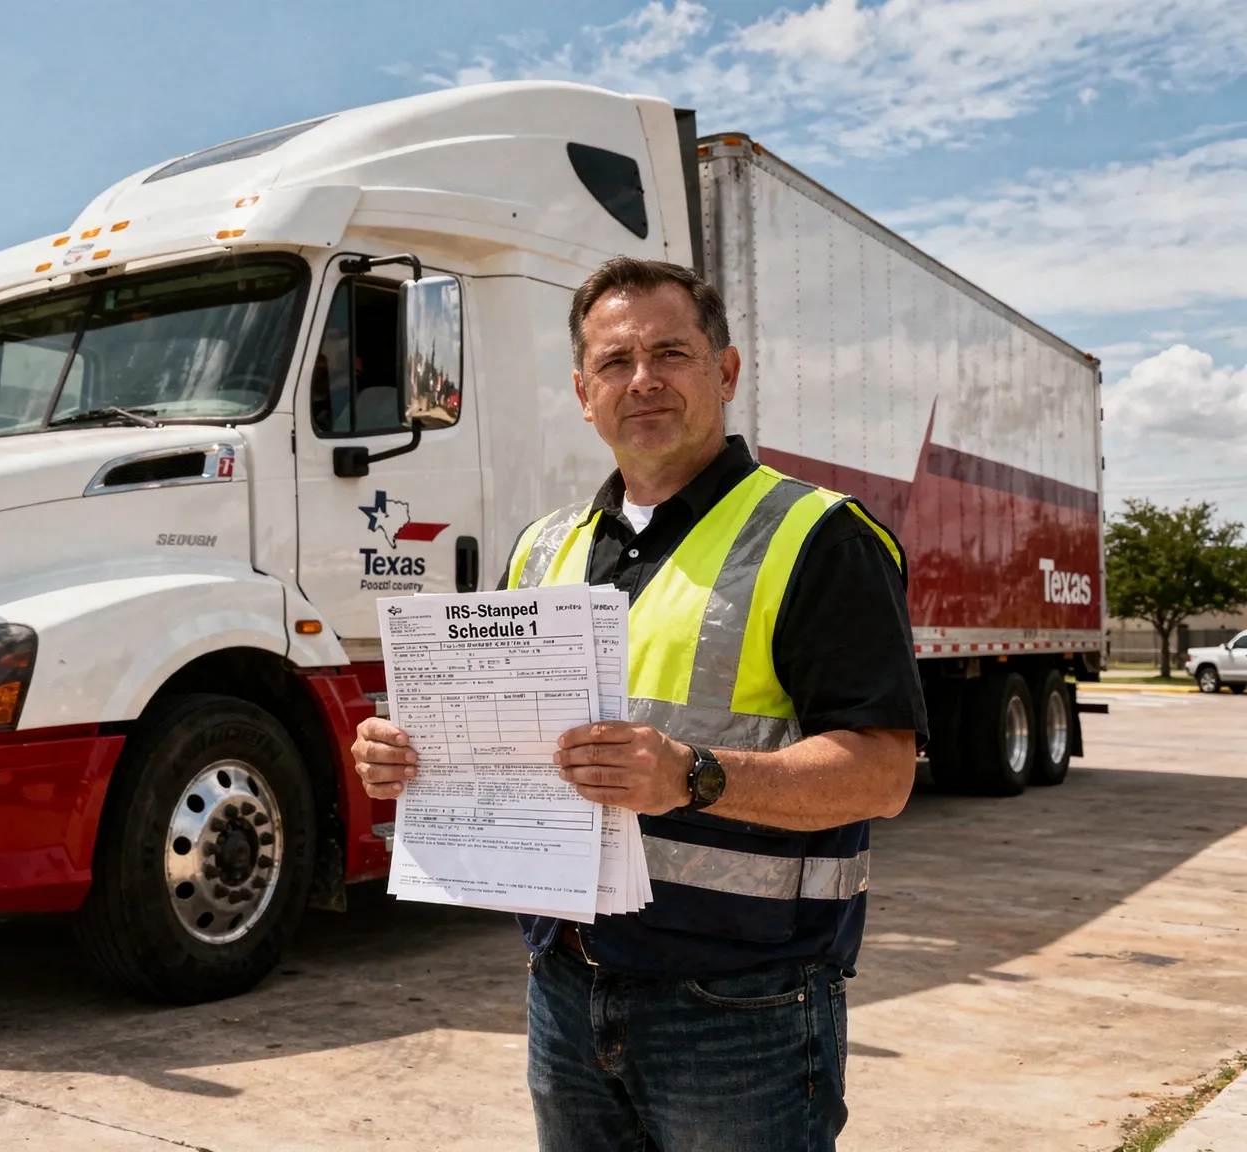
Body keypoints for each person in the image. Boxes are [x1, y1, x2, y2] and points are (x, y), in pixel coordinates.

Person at [351, 257, 926, 1151]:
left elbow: (884, 774)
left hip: (742, 1003)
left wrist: (692, 776)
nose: (643, 380)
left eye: (671, 352)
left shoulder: (819, 538)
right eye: (615, 363)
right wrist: (409, 758)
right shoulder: (543, 549)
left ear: (725, 372)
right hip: (568, 989)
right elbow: (504, 747)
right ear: (584, 394)